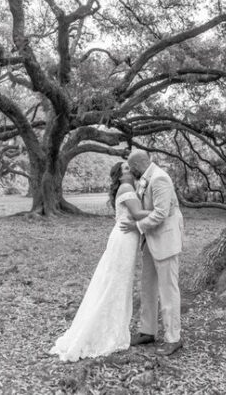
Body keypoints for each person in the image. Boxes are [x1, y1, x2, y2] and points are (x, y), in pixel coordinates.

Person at [50, 161, 149, 362]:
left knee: (116, 281)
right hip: (124, 239)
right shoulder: (127, 187)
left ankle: (114, 326)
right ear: (120, 176)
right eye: (127, 169)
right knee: (116, 283)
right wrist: (163, 211)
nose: (131, 170)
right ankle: (105, 330)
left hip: (125, 238)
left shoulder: (129, 187)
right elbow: (138, 214)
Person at [120, 149, 184, 357]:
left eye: (131, 168)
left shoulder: (160, 179)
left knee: (168, 291)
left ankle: (173, 338)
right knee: (147, 287)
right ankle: (147, 331)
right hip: (150, 241)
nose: (131, 171)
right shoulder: (145, 179)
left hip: (165, 239)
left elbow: (161, 214)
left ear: (138, 165)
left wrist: (136, 226)